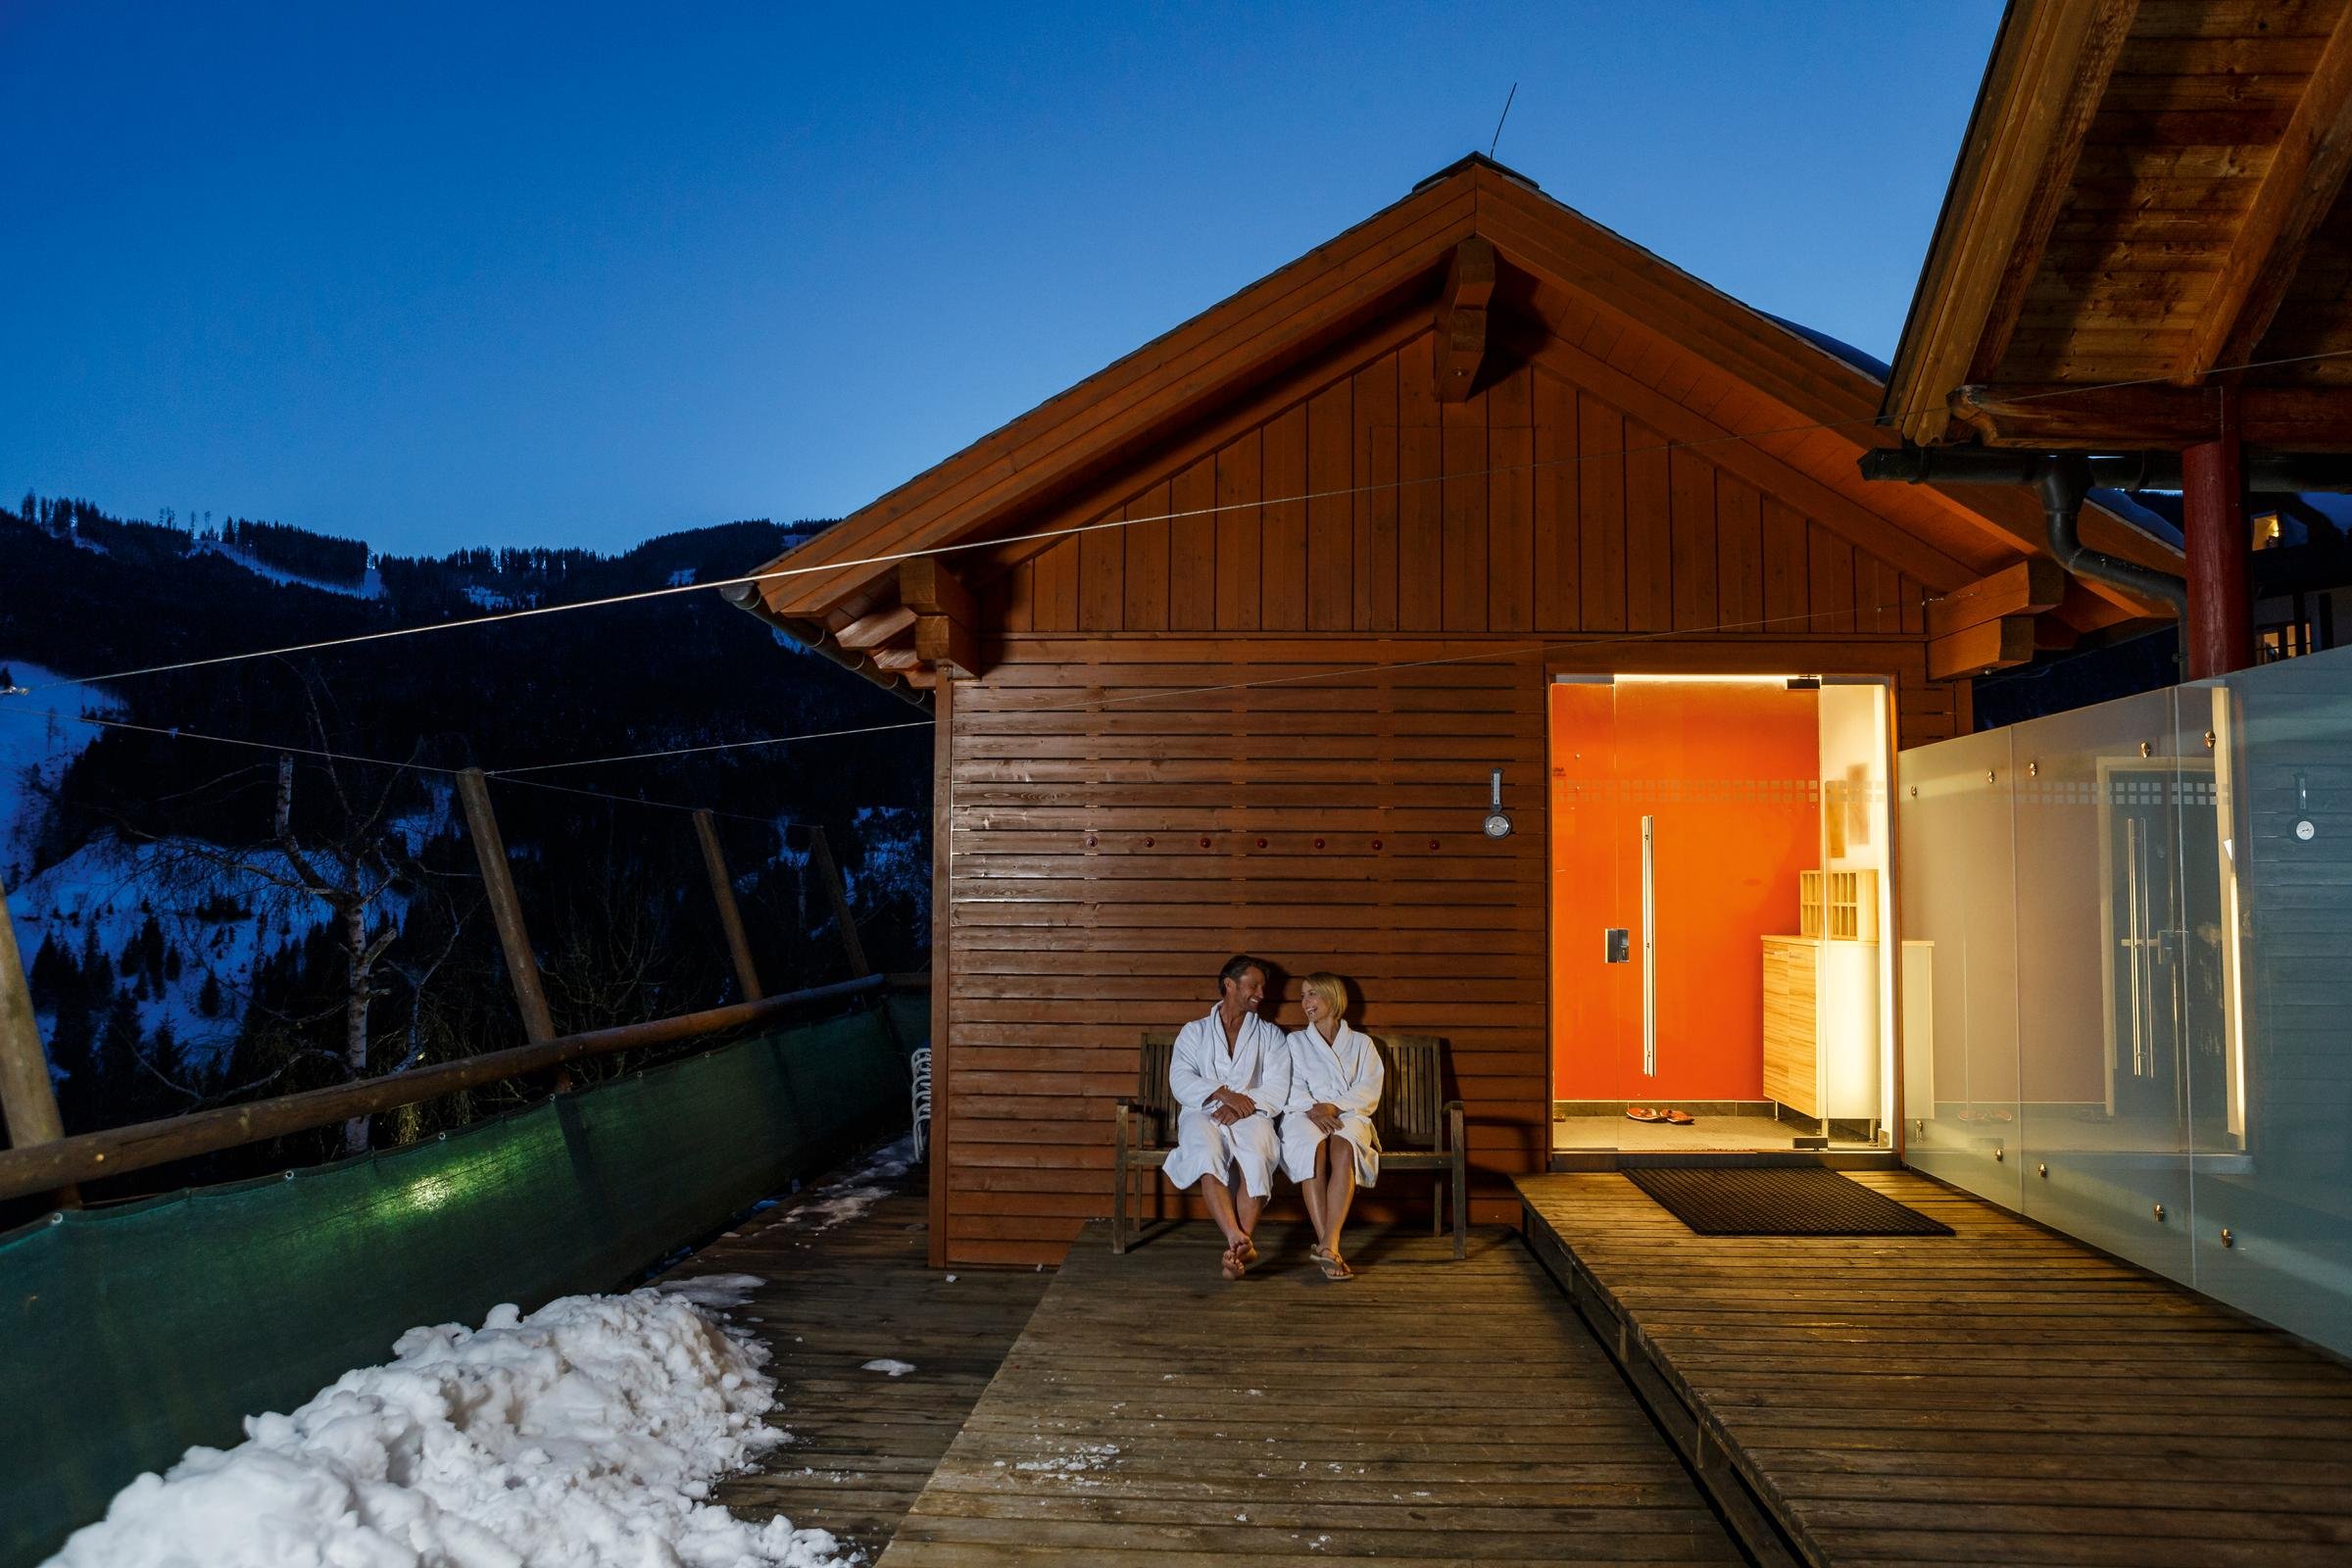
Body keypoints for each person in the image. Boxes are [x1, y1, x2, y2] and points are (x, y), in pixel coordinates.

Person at [1164, 955, 1290, 1280]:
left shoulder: (1270, 1036)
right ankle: (1238, 1240)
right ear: (1229, 985)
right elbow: (1180, 1079)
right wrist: (1222, 1094)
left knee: (1259, 1151)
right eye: (1254, 985)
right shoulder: (1194, 1032)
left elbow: (1278, 1088)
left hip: (1251, 1112)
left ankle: (1237, 1245)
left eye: (1263, 987)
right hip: (1203, 1111)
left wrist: (1239, 1104)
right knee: (1206, 1152)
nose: (1261, 994)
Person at [1280, 971, 1383, 1280]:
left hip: (1348, 1112)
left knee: (1343, 1147)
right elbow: (1288, 1084)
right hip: (1303, 1112)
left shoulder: (1362, 1044)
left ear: (1332, 997)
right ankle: (1330, 1246)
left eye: (1312, 994)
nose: (1305, 1002)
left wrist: (1334, 1106)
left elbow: (1369, 1087)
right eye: (1302, 996)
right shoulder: (1295, 1042)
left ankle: (1327, 1244)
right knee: (1312, 1147)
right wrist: (1313, 1108)